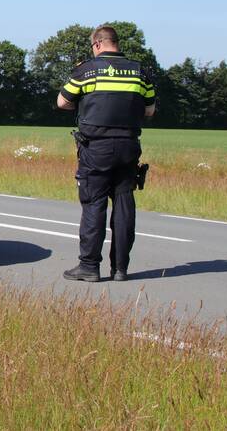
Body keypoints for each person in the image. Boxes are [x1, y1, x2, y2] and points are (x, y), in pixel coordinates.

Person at [57, 25, 156, 282]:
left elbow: (62, 102)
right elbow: (150, 110)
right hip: (128, 147)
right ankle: (120, 268)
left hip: (95, 147)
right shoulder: (139, 72)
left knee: (94, 204)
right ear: (116, 43)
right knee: (124, 204)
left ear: (98, 44)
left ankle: (89, 266)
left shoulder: (87, 70)